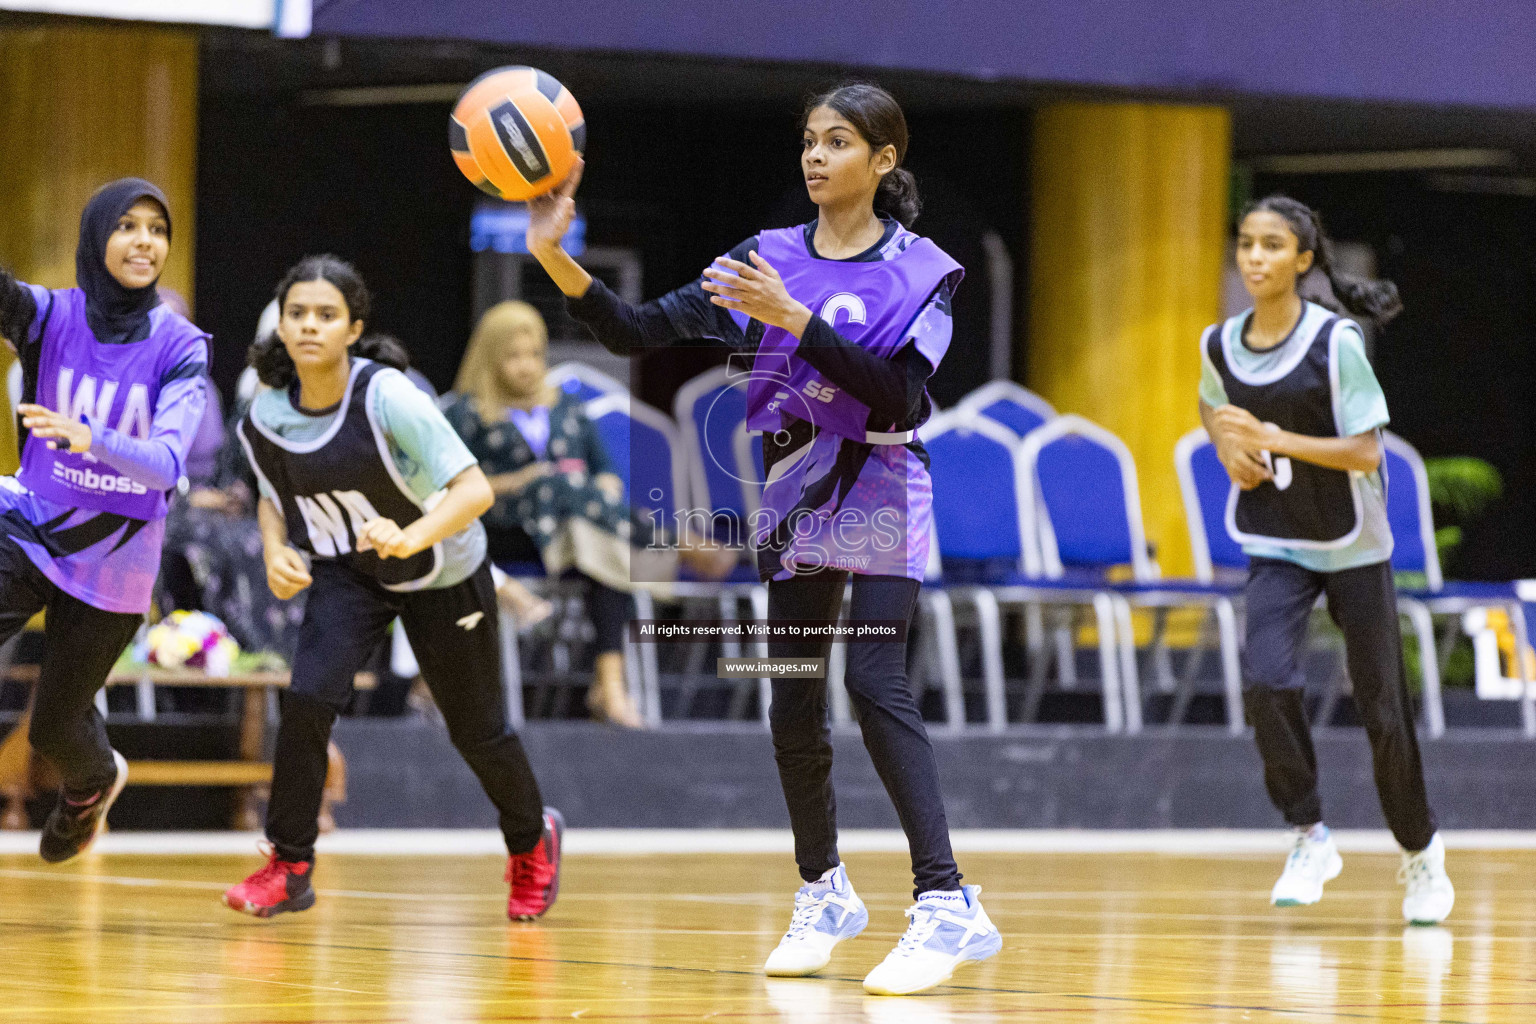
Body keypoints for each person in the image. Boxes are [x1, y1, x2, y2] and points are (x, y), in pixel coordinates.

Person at [523, 82, 1001, 995]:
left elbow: (898, 396)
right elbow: (633, 330)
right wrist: (555, 257)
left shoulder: (924, 270)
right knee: (790, 699)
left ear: (885, 160)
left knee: (874, 678)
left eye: (838, 143)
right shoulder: (763, 258)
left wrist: (796, 321)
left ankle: (947, 902)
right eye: (810, 142)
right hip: (789, 488)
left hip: (881, 478)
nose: (815, 157)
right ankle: (823, 890)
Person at [222, 255, 562, 921]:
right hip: (351, 569)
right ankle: (289, 864)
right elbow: (270, 496)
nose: (310, 326)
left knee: (476, 729)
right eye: (299, 314)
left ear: (353, 328)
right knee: (308, 701)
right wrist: (273, 548)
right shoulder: (264, 414)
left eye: (326, 315)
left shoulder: (389, 398)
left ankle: (531, 843)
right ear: (281, 325)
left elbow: (474, 489)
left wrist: (414, 535)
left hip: (442, 569)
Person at [1199, 195, 1455, 925]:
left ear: (1303, 260)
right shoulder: (1219, 342)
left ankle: (1420, 852)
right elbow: (1212, 405)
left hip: (1353, 543)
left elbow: (1367, 450)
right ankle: (1310, 835)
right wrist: (1229, 445)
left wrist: (1273, 439)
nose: (1254, 257)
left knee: (1382, 709)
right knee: (1267, 681)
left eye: (1271, 246)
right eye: (1246, 244)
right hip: (1278, 537)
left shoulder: (1335, 342)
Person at [0, 178, 209, 862]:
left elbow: (169, 464)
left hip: (117, 559)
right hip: (30, 527)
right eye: (126, 226)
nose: (144, 240)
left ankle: (93, 784)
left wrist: (93, 438)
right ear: (97, 237)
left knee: (55, 730)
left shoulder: (182, 347)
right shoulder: (47, 314)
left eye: (157, 228)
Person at [443, 300, 641, 726]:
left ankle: (609, 683)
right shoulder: (466, 414)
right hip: (503, 534)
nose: (527, 367)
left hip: (578, 541)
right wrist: (515, 482)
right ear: (490, 357)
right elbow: (444, 489)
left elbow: (607, 470)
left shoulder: (567, 408)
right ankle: (663, 542)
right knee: (586, 513)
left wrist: (604, 484)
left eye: (534, 355)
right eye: (513, 357)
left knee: (603, 550)